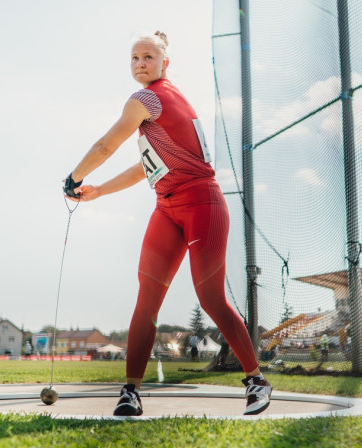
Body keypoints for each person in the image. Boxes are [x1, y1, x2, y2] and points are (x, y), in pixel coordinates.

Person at [63, 31, 272, 416]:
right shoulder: (158, 103)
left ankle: (257, 380)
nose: (140, 63)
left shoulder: (146, 98)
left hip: (202, 204)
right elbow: (147, 168)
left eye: (148, 56)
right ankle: (131, 391)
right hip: (167, 207)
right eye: (134, 58)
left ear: (164, 63)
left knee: (211, 299)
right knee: (147, 299)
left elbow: (105, 145)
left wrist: (73, 178)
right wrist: (98, 191)